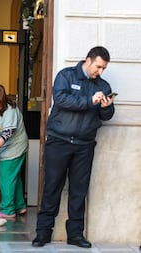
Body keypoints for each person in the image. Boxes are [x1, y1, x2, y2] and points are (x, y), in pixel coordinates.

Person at [32, 46, 115, 248]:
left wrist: (106, 107)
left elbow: (106, 116)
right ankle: (43, 233)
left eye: (103, 68)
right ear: (88, 60)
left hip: (84, 146)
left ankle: (75, 235)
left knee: (79, 191)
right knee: (52, 188)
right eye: (98, 67)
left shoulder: (103, 86)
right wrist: (89, 101)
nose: (100, 72)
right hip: (59, 142)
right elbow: (60, 99)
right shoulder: (66, 76)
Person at [0, 84, 28, 219]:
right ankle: (20, 206)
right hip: (5, 149)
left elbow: (7, 133)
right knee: (14, 177)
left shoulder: (10, 111)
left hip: (15, 148)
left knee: (6, 177)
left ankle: (7, 210)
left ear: (2, 98)